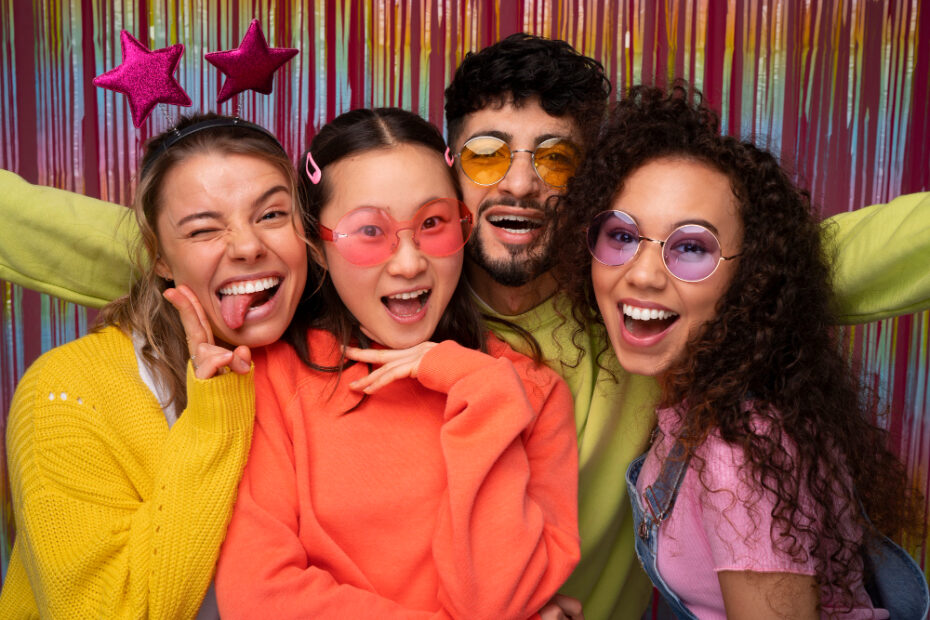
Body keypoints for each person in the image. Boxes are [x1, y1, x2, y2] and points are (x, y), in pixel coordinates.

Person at [2, 33, 930, 619]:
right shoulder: (293, 346)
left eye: (555, 158)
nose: (519, 182)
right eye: (488, 154)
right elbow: (164, 243)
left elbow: (793, 257)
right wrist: (195, 246)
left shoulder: (628, 294)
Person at [556, 84, 929, 618]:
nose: (641, 273)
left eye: (690, 247)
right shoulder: (694, 405)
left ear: (748, 278)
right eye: (622, 236)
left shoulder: (740, 455)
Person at [211, 107, 580, 618]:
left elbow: (492, 601)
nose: (409, 263)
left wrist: (482, 391)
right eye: (369, 231)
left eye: (433, 223)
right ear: (318, 247)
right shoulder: (274, 377)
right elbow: (259, 597)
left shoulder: (526, 392)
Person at [0, 113, 309, 619]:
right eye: (204, 229)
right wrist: (215, 416)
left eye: (272, 215)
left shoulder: (327, 367)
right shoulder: (64, 389)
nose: (249, 246)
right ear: (159, 257)